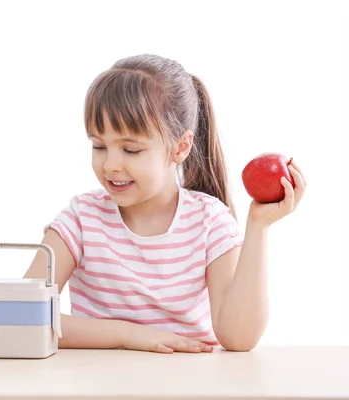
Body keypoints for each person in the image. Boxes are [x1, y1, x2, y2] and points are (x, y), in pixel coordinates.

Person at [24, 54, 306, 353]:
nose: (111, 165)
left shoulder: (209, 220)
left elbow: (239, 339)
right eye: (99, 146)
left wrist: (258, 226)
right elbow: (24, 314)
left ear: (180, 148)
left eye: (131, 149)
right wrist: (126, 334)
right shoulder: (81, 218)